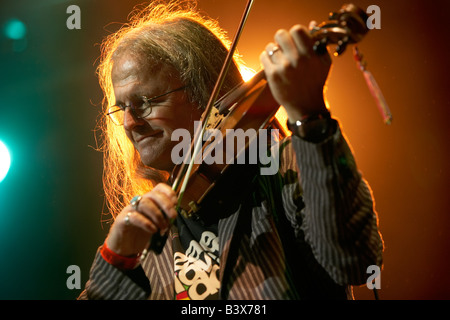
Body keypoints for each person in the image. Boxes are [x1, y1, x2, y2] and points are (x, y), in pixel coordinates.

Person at [79, 0, 383, 300]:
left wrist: (311, 119)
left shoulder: (284, 169)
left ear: (205, 91)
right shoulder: (147, 231)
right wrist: (116, 260)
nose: (130, 123)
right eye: (121, 108)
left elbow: (355, 263)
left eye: (144, 102)